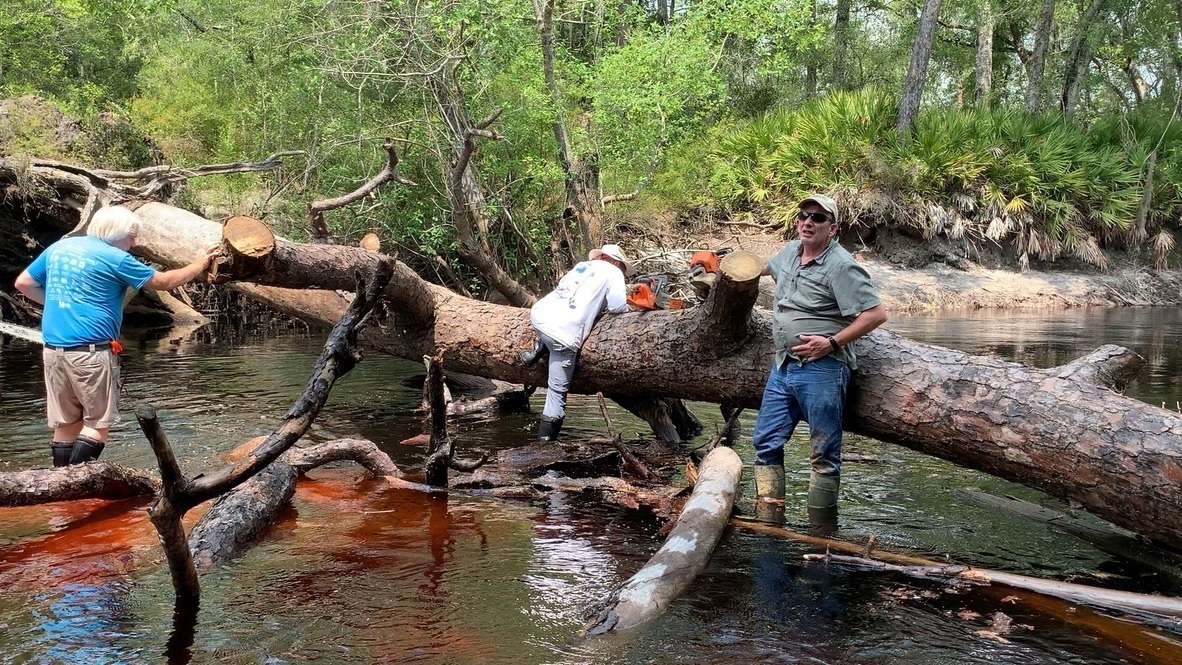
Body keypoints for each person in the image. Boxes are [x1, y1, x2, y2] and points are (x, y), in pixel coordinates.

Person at [14, 206, 220, 467]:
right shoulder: (115, 258)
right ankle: (73, 486)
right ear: (115, 233)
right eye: (132, 236)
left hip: (53, 352)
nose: (134, 243)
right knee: (98, 424)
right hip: (91, 354)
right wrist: (200, 263)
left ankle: (58, 490)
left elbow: (24, 283)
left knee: (67, 423)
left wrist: (60, 304)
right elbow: (165, 281)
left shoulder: (59, 248)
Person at [751, 194, 887, 528]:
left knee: (824, 456)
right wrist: (723, 264)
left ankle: (821, 533)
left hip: (823, 370)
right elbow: (763, 268)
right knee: (764, 443)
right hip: (783, 367)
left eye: (818, 217)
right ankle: (769, 523)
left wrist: (831, 343)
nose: (808, 222)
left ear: (833, 227)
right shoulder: (790, 253)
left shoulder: (841, 265)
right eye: (803, 215)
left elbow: (876, 314)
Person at [519, 244, 635, 441]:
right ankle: (544, 447)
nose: (623, 272)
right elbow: (616, 306)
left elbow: (565, 289)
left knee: (550, 330)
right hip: (564, 335)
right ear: (616, 262)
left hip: (540, 316)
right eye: (623, 267)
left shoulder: (583, 266)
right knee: (557, 393)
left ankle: (539, 347)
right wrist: (632, 307)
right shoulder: (614, 272)